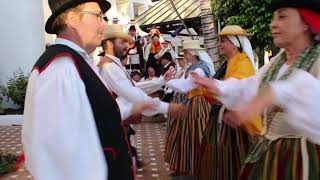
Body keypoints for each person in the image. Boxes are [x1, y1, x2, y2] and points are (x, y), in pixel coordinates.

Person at [22, 1, 152, 180]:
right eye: (98, 16)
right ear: (73, 19)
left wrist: (130, 109)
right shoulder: (63, 67)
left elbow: (91, 116)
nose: (104, 23)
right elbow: (55, 155)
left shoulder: (78, 62)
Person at [192, 0, 320, 179]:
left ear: (306, 22)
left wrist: (277, 93)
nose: (273, 24)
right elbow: (252, 85)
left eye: (282, 16)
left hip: (304, 157)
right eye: (274, 17)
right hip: (268, 152)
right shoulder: (278, 61)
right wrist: (217, 86)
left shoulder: (317, 58)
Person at [196, 25, 261, 180]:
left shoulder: (243, 62)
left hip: (234, 124)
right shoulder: (229, 62)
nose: (219, 44)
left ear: (234, 43)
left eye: (223, 41)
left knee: (232, 161)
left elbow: (237, 87)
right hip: (223, 119)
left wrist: (213, 87)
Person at [98, 24, 184, 127]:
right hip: (114, 124)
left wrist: (161, 80)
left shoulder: (113, 64)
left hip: (118, 123)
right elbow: (131, 92)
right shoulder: (109, 66)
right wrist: (165, 107)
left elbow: (134, 87)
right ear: (109, 44)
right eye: (122, 42)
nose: (126, 46)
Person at [165, 39, 215, 176]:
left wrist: (168, 81)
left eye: (185, 53)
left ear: (192, 53)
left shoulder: (199, 68)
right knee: (186, 135)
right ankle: (187, 166)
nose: (184, 55)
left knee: (197, 135)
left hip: (199, 104)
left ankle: (198, 168)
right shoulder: (194, 66)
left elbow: (186, 86)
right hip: (192, 103)